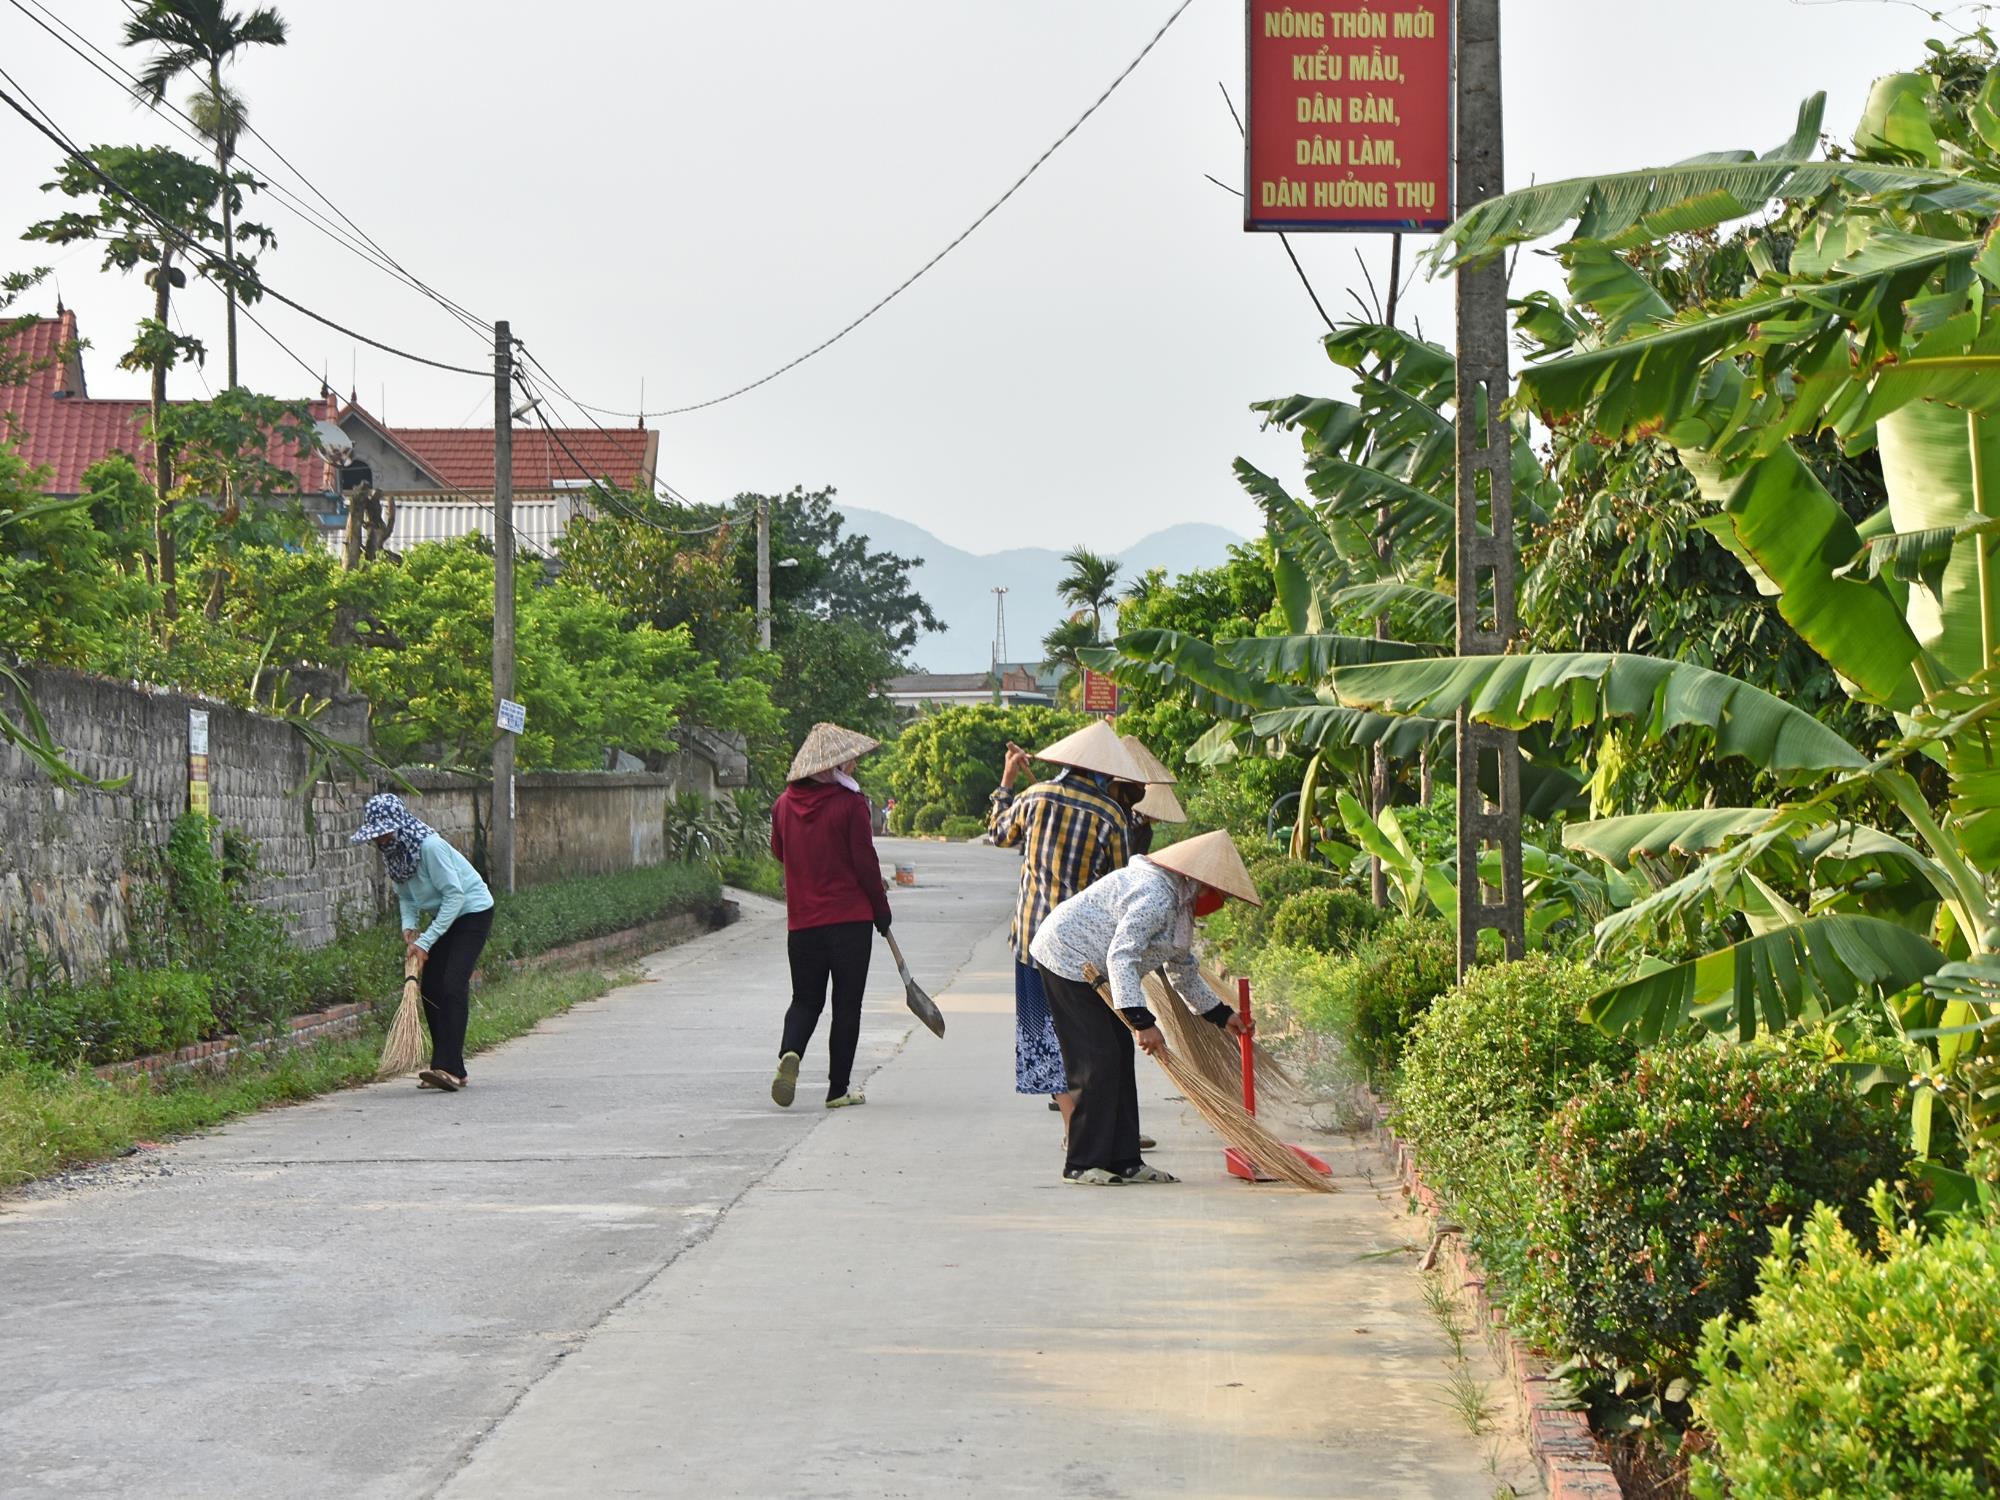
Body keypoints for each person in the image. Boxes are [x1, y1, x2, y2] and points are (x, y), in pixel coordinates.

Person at [1028, 830, 1261, 1186]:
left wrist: (1221, 1015)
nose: (1222, 902)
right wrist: (1142, 1022)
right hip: (1068, 958)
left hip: (1100, 969)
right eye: (1223, 894)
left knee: (1118, 1060)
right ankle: (1080, 1163)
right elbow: (1121, 955)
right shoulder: (1155, 895)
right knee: (1096, 1060)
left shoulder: (1179, 907)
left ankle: (1125, 1160)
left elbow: (1181, 970)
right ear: (1201, 883)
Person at [988, 720, 1152, 1135]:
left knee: (1043, 1035)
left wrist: (1006, 782)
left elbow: (998, 834)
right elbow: (1117, 886)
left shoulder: (1034, 796)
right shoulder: (1110, 814)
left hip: (1030, 940)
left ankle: (1076, 1129)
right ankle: (1086, 1131)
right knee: (1086, 1040)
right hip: (1081, 950)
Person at [770, 722, 892, 1110]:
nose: (853, 765)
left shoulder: (783, 805)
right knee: (847, 1004)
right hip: (849, 922)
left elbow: (779, 852)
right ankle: (837, 1090)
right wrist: (881, 911)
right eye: (848, 760)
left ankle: (791, 1052)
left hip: (803, 923)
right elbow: (865, 864)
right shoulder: (851, 805)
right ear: (833, 766)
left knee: (805, 999)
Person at [350, 792, 495, 1093]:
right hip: (446, 915)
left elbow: (455, 896)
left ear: (399, 824)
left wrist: (427, 941)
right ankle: (443, 1065)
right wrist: (410, 928)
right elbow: (405, 896)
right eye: (377, 835)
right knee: (429, 988)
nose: (381, 840)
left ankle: (451, 1068)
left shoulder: (430, 847)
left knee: (453, 983)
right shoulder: (395, 854)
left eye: (385, 832)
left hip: (472, 913)